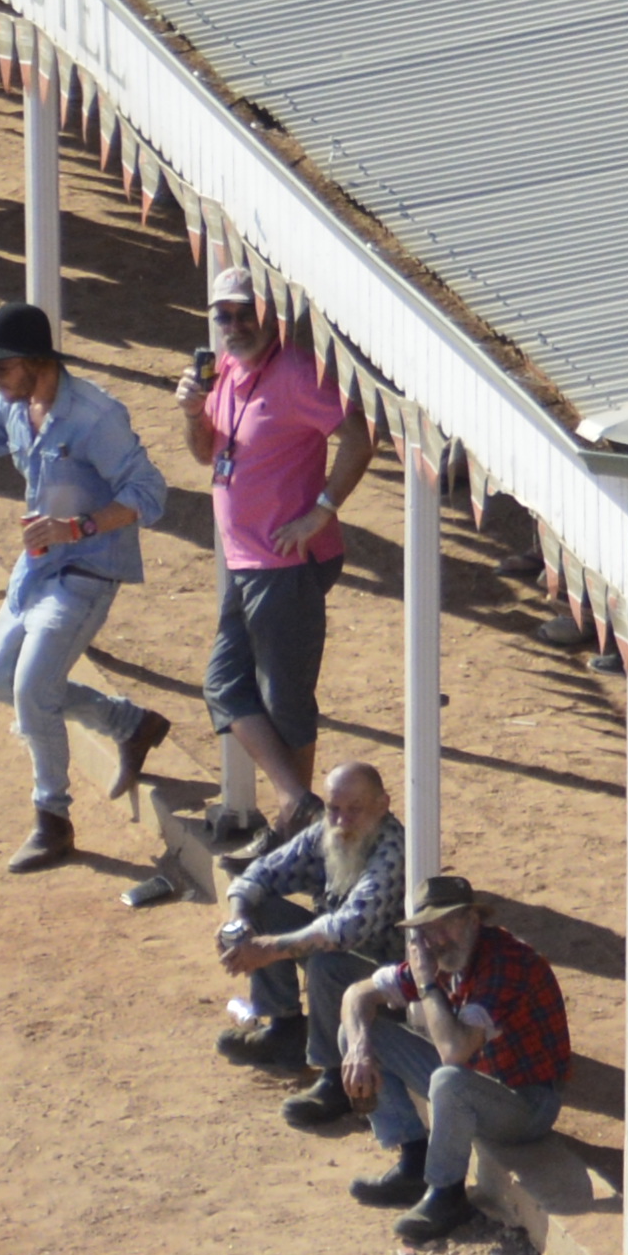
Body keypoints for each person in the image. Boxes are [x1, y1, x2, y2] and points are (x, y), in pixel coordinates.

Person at [0, 299, 172, 874]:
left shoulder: (96, 418)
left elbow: (150, 493)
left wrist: (82, 526)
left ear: (36, 362)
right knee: (1, 683)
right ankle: (130, 723)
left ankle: (52, 819)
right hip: (37, 567)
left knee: (31, 687)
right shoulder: (16, 407)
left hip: (88, 570)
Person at [184, 265, 371, 861]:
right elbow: (207, 453)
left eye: (245, 313)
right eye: (224, 315)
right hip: (251, 561)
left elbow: (358, 436)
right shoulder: (226, 372)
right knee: (225, 685)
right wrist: (192, 413)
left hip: (287, 563)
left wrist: (321, 510)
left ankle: (297, 826)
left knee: (284, 699)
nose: (233, 325)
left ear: (272, 316)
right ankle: (297, 806)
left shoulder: (294, 372)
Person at [338, 868, 569, 1253]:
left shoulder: (505, 962)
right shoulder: (440, 956)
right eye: (427, 929)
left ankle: (446, 1196)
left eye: (445, 925)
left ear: (472, 920)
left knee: (448, 1079)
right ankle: (414, 1160)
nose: (435, 938)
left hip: (526, 1103)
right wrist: (360, 1046)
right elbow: (356, 994)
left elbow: (454, 1051)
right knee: (357, 1032)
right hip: (478, 1079)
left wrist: (427, 985)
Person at [213, 754, 397, 1122]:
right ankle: (285, 1029)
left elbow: (346, 931)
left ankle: (334, 1076)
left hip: (385, 973)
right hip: (337, 949)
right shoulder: (327, 831)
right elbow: (259, 874)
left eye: (354, 810)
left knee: (325, 961)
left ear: (382, 806)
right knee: (263, 909)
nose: (342, 821)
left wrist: (269, 949)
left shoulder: (392, 853)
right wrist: (238, 922)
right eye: (334, 809)